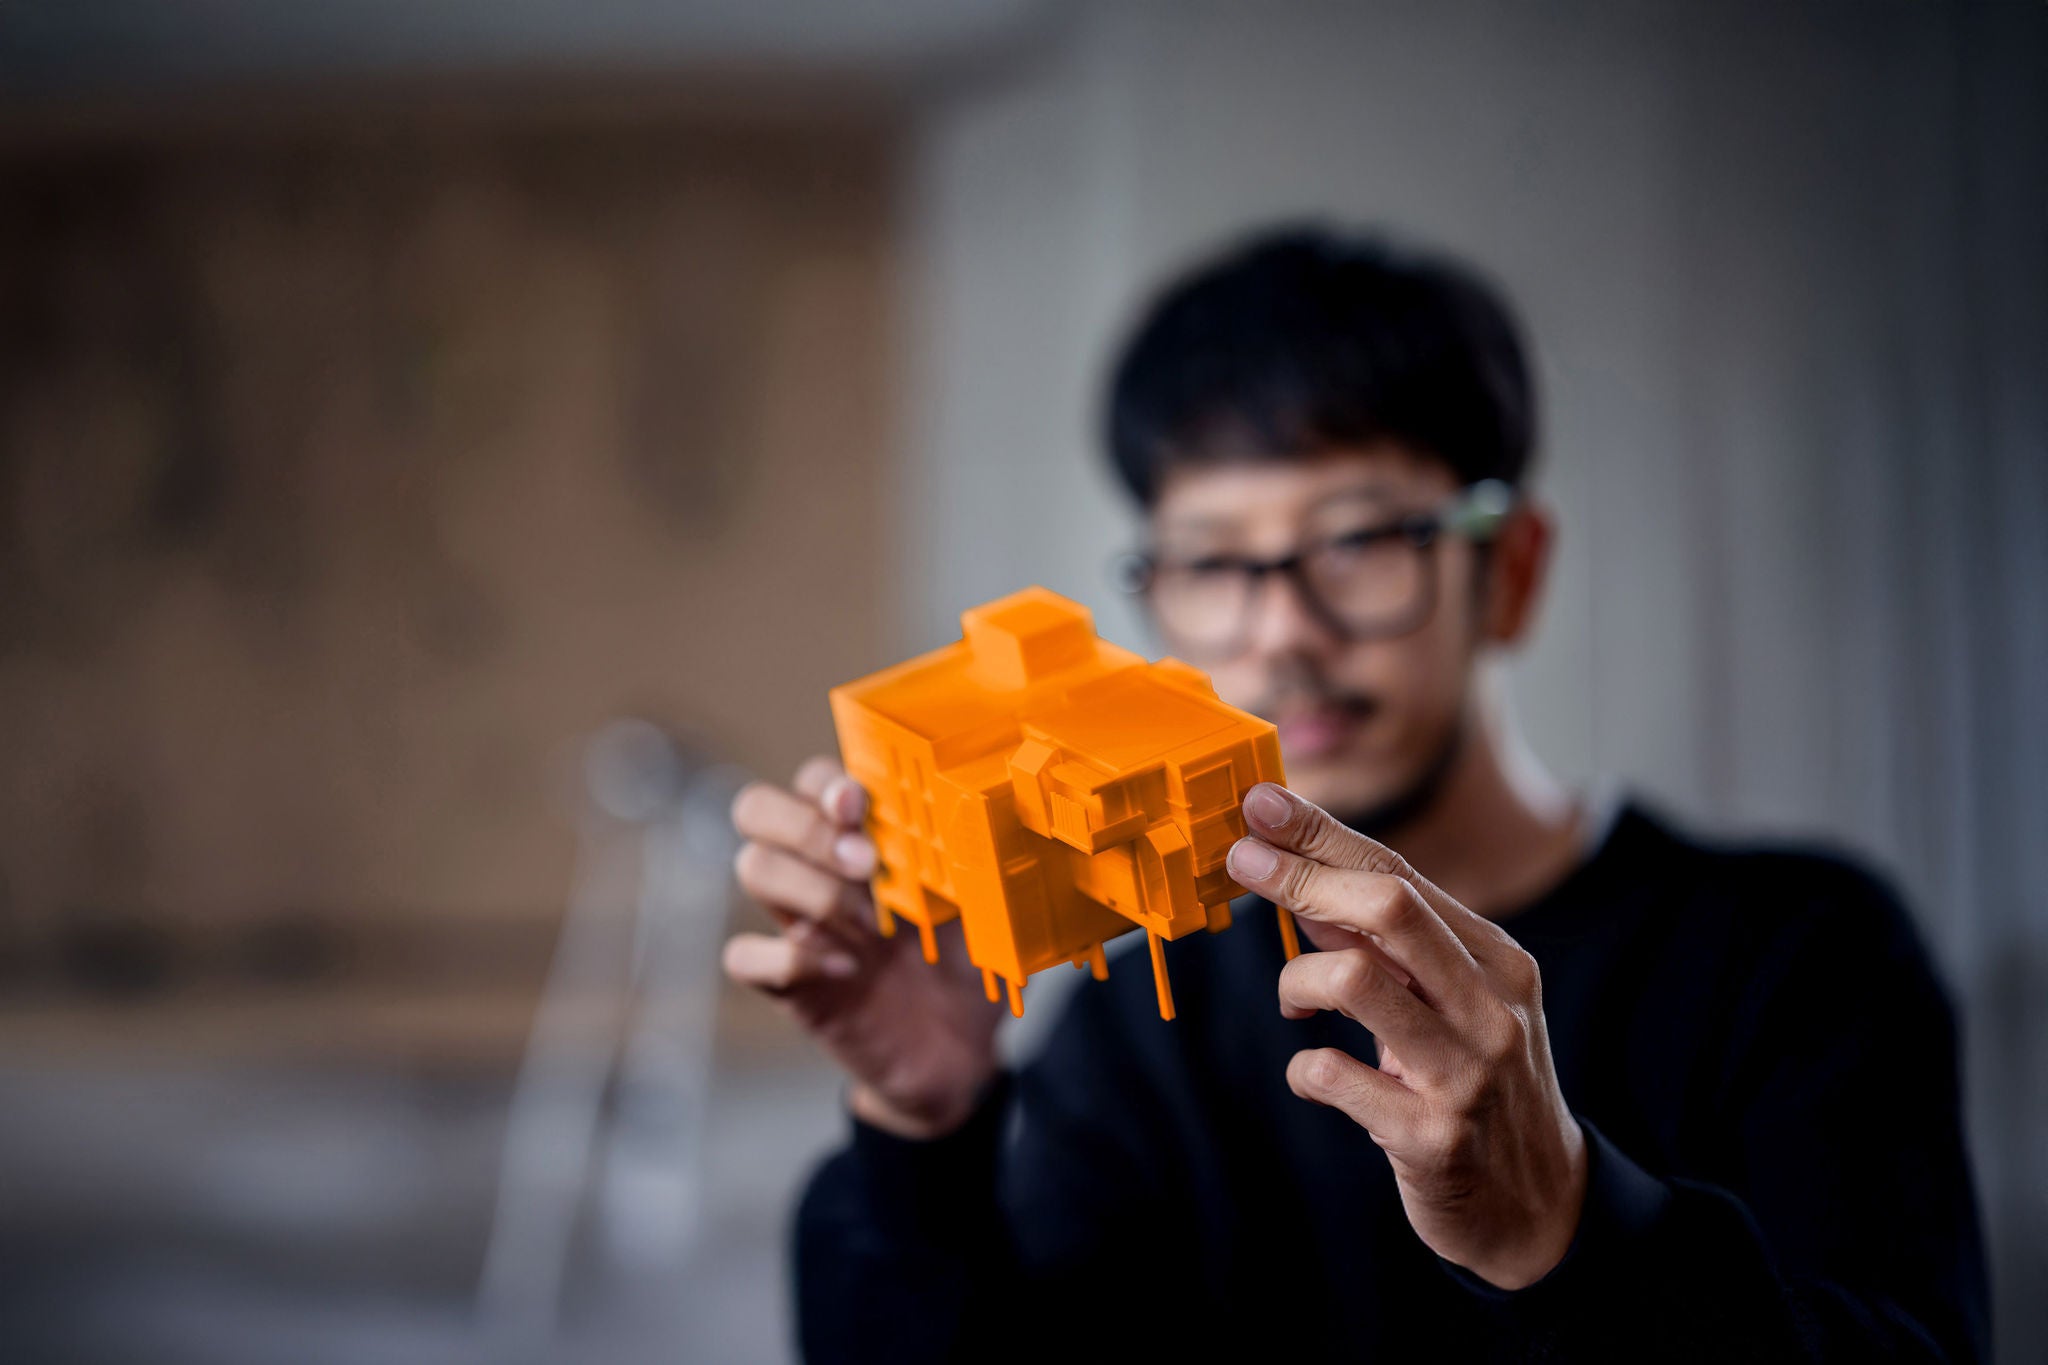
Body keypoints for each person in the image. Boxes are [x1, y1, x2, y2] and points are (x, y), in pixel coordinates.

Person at [722, 226, 1988, 1361]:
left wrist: (1565, 1230)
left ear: (1509, 572)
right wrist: (916, 1126)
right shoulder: (1136, 1026)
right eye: (1212, 563)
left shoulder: (1798, 957)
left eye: (1357, 541)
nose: (1281, 633)